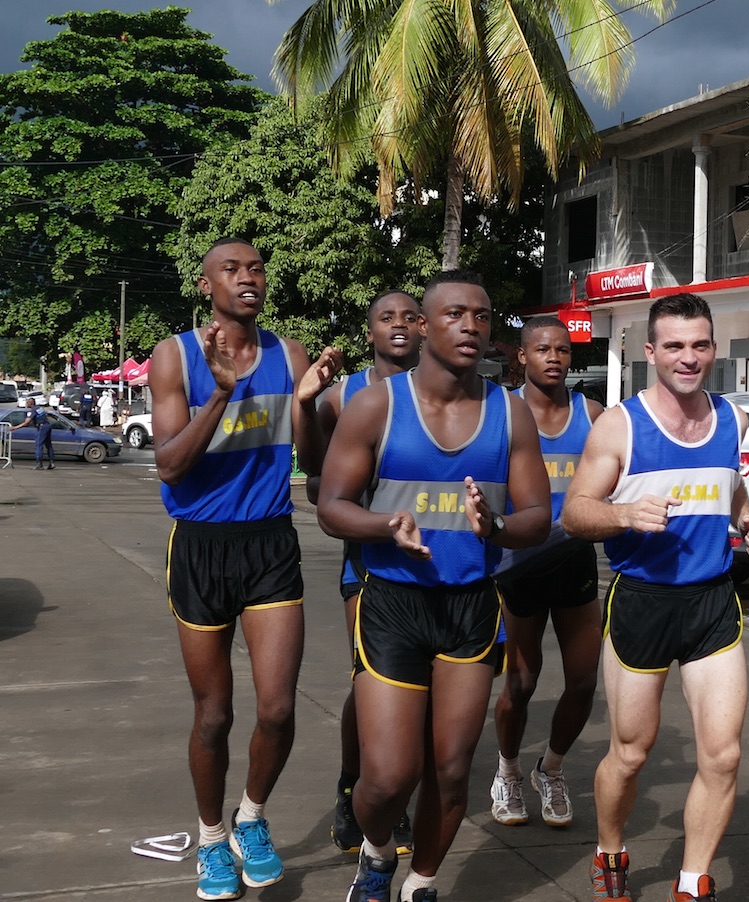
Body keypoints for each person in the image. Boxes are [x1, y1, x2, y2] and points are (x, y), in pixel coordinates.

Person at [316, 270, 551, 902]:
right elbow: (331, 505)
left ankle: (420, 883)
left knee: (449, 772)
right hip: (392, 603)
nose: (470, 326)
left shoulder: (510, 412)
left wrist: (497, 525)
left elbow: (537, 518)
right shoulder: (377, 405)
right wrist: (385, 525)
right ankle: (375, 854)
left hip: (470, 607)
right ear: (423, 325)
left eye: (482, 315)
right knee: (388, 779)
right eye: (454, 314)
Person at [149, 237, 342, 901]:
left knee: (279, 709)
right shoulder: (175, 356)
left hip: (269, 542)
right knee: (214, 716)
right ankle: (210, 839)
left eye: (256, 267)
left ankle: (250, 818)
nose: (247, 277)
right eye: (230, 270)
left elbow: (313, 465)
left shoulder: (290, 355)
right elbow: (169, 465)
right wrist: (221, 396)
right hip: (200, 546)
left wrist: (307, 403)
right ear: (206, 285)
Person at [561, 293, 749, 902]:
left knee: (723, 756)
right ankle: (610, 850)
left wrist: (746, 522)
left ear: (714, 349)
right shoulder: (620, 425)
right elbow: (574, 514)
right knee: (631, 753)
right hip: (642, 601)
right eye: (674, 346)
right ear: (650, 352)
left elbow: (728, 487)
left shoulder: (732, 419)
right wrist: (624, 514)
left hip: (712, 601)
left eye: (699, 345)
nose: (688, 357)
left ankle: (692, 879)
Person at [310, 290, 422, 857]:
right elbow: (316, 480)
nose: (398, 325)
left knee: (424, 690)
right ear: (369, 331)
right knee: (370, 679)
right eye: (386, 317)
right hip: (369, 560)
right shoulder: (343, 396)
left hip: (438, 560)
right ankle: (357, 785)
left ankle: (395, 789)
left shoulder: (447, 391)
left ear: (424, 328)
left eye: (409, 316)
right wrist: (307, 407)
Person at [489, 316, 604, 829]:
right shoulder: (502, 413)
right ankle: (508, 770)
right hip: (520, 565)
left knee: (583, 681)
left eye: (562, 349)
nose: (554, 358)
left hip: (574, 561)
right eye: (542, 349)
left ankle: (550, 769)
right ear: (522, 356)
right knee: (521, 682)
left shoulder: (592, 415)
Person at [11, 397, 55, 470]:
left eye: (27, 402)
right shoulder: (39, 408)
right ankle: (52, 462)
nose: (26, 404)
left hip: (41, 427)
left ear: (31, 403)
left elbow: (26, 422)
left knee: (39, 445)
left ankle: (39, 464)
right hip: (47, 426)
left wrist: (14, 428)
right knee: (48, 445)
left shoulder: (33, 410)